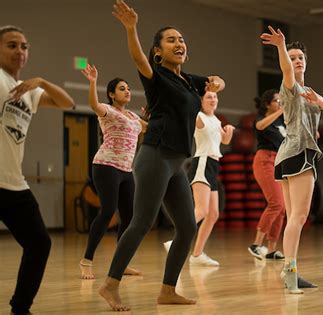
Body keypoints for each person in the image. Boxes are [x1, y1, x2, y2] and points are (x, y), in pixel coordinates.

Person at [99, 0, 225, 311]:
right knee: (141, 223)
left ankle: (167, 290)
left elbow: (211, 82)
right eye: (171, 40)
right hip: (154, 156)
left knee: (187, 226)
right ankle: (110, 284)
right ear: (159, 51)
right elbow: (138, 57)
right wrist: (132, 29)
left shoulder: (187, 80)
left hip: (176, 162)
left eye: (181, 39)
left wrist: (217, 82)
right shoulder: (157, 76)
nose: (179, 43)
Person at [0, 25, 74, 314]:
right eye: (11, 45)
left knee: (39, 244)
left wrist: (40, 81)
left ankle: (20, 308)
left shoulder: (30, 91)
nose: (20, 51)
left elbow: (67, 102)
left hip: (14, 184)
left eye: (24, 46)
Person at [260, 27, 323, 294]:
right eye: (293, 57)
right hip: (298, 152)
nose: (297, 60)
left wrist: (319, 99)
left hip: (288, 154)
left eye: (300, 56)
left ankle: (290, 270)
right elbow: (287, 71)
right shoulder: (289, 86)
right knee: (299, 217)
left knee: (294, 217)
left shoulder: (308, 90)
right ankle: (290, 273)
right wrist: (281, 47)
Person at [79, 64, 147, 280]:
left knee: (129, 217)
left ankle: (121, 263)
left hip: (127, 170)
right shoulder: (107, 111)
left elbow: (152, 127)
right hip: (106, 165)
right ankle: (86, 260)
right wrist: (92, 82)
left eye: (128, 88)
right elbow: (92, 104)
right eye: (121, 88)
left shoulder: (135, 118)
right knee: (108, 211)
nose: (127, 91)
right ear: (111, 94)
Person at [164, 91, 235, 266]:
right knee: (202, 210)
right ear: (201, 101)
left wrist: (229, 131)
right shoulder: (199, 116)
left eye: (215, 97)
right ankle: (173, 242)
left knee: (213, 214)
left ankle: (197, 255)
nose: (213, 100)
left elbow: (225, 142)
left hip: (213, 164)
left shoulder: (216, 120)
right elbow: (185, 112)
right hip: (202, 163)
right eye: (209, 97)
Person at [247, 89, 286, 260]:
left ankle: (271, 249)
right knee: (276, 203)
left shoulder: (281, 123)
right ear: (267, 104)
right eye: (277, 100)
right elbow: (259, 126)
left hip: (279, 162)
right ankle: (256, 245)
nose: (280, 103)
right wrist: (280, 111)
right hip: (265, 161)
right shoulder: (262, 119)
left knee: (282, 208)